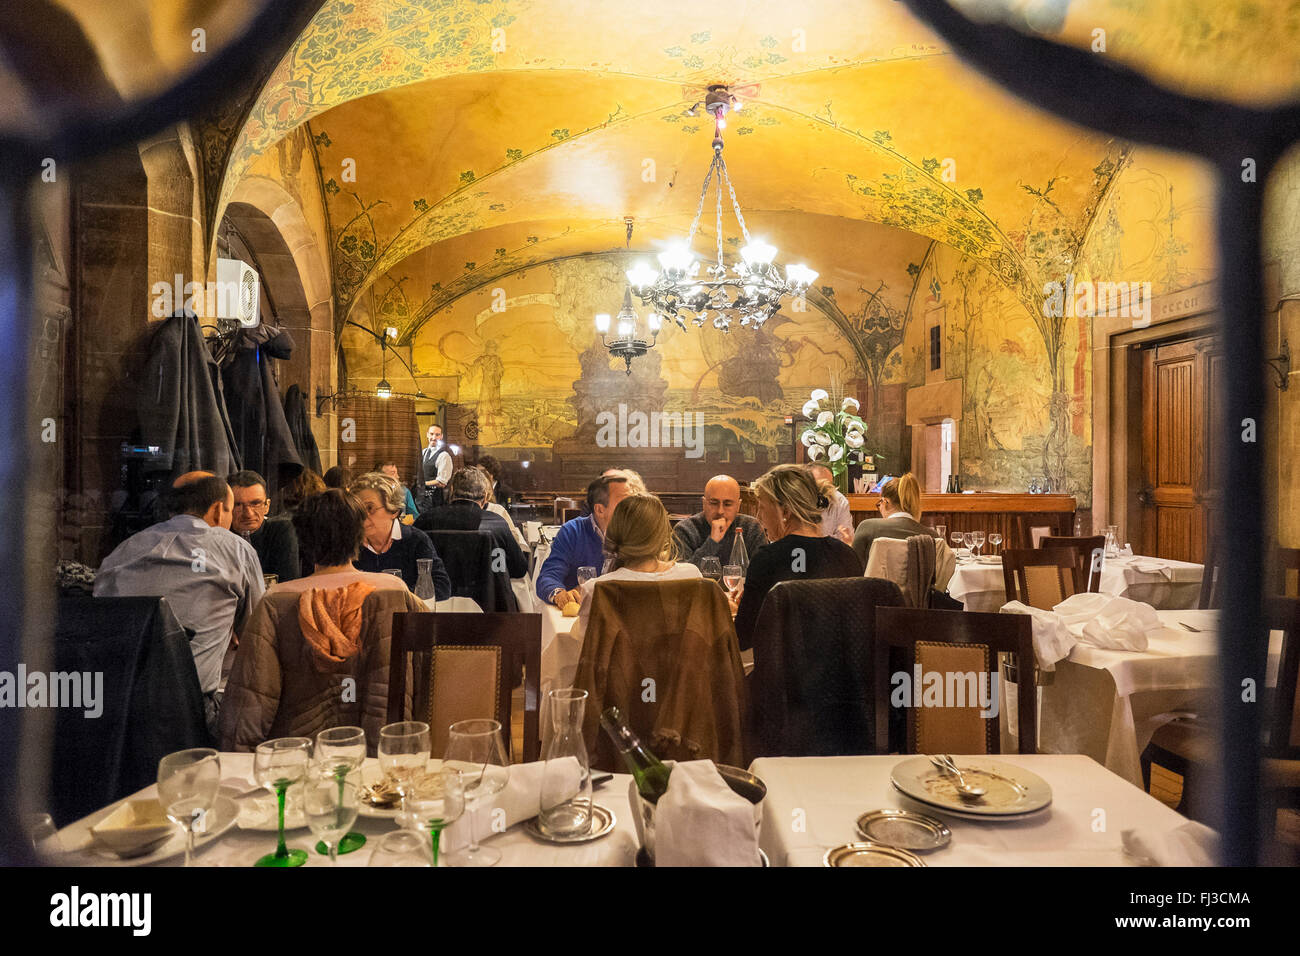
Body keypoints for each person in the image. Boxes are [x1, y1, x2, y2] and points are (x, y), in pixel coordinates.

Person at [218, 489, 426, 751]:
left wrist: (237, 761)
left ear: (302, 540)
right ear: (359, 535)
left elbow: (250, 701)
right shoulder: (395, 592)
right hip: (383, 752)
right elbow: (427, 674)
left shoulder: (275, 601)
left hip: (297, 756)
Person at [94, 472, 264, 736]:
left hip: (116, 708)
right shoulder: (236, 550)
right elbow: (256, 633)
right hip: (192, 711)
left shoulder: (124, 551)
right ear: (218, 511)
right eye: (231, 510)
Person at [731, 464, 864, 651]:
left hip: (783, 678)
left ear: (785, 512)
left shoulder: (767, 559)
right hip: (843, 675)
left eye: (762, 508)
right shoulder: (848, 556)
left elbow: (743, 638)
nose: (759, 518)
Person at [572, 494, 702, 642]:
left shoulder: (596, 589)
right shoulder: (692, 575)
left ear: (615, 531)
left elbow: (587, 651)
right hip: (685, 665)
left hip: (619, 666)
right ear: (663, 532)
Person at [536, 473, 633, 608]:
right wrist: (560, 594)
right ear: (599, 510)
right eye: (625, 503)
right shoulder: (573, 531)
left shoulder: (635, 532)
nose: (632, 508)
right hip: (581, 615)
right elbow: (548, 577)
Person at [350, 472, 451, 599]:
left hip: (405, 616)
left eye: (370, 508)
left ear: (393, 511)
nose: (362, 516)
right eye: (357, 509)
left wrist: (394, 596)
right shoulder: (349, 543)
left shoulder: (416, 540)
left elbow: (441, 587)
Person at [418, 466, 528, 579]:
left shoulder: (426, 520)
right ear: (485, 497)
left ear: (451, 491)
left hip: (437, 594)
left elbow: (412, 565)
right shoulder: (496, 523)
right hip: (485, 595)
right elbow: (519, 569)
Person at [671, 474, 768, 569]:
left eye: (727, 504)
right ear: (704, 503)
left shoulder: (752, 527)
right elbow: (683, 577)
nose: (720, 511)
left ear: (738, 506)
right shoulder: (684, 529)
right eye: (714, 503)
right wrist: (713, 541)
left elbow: (763, 572)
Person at [850, 472, 936, 567]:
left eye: (879, 503)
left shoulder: (868, 527)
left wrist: (847, 548)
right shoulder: (932, 536)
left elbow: (853, 568)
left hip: (875, 582)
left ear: (886, 501)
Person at [229, 469, 301, 582]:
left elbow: (287, 582)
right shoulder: (219, 537)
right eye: (238, 505)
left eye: (255, 504)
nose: (248, 513)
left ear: (267, 506)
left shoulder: (280, 531)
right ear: (227, 507)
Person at [807, 463, 854, 544]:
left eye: (829, 486)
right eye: (820, 486)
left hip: (831, 554)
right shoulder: (797, 500)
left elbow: (845, 538)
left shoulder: (840, 500)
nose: (826, 491)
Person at [418, 424, 453, 510]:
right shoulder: (423, 452)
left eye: (437, 435)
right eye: (431, 434)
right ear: (427, 435)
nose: (434, 437)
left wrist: (421, 484)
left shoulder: (444, 455)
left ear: (441, 437)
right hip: (421, 498)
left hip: (434, 500)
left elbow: (441, 483)